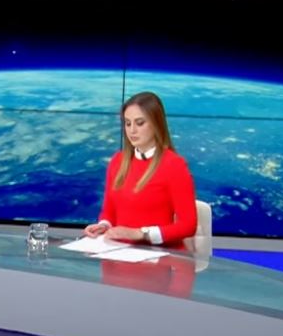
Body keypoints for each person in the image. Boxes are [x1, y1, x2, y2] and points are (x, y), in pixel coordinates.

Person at [83, 91, 197, 247]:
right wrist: (103, 226)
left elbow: (188, 226)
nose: (132, 130)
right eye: (128, 123)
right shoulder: (117, 161)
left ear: (156, 124)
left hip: (159, 254)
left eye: (140, 123)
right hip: (119, 252)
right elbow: (109, 212)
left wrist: (141, 234)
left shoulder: (174, 165)